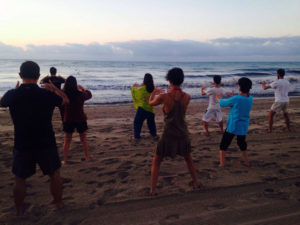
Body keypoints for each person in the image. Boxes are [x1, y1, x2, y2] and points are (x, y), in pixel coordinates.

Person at [0, 61, 69, 216]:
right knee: (55, 175)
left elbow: (2, 103)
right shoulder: (47, 94)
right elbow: (65, 101)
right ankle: (58, 204)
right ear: (38, 76)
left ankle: (19, 210)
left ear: (20, 75)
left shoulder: (13, 94)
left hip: (22, 142)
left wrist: (15, 90)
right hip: (46, 141)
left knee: (20, 178)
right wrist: (55, 89)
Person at [149, 67, 199, 195]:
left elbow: (150, 104)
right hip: (182, 133)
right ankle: (196, 183)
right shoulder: (187, 97)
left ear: (169, 80)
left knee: (156, 160)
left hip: (168, 134)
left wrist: (153, 92)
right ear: (181, 81)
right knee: (188, 159)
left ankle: (152, 190)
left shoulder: (164, 96)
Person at [217, 77, 253, 167]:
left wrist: (218, 98)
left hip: (233, 126)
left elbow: (222, 103)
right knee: (242, 144)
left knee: (223, 145)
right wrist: (233, 97)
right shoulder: (250, 98)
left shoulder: (236, 98)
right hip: (243, 126)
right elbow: (240, 101)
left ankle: (222, 163)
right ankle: (246, 162)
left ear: (240, 87)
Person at [62, 76, 92, 165]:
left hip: (68, 119)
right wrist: (83, 88)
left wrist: (64, 87)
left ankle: (65, 160)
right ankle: (87, 157)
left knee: (67, 140)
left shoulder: (64, 94)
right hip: (80, 118)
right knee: (83, 139)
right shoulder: (81, 94)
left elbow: (58, 94)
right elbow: (89, 95)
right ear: (75, 84)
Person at [130, 73, 159, 140]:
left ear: (144, 80)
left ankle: (136, 137)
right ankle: (154, 135)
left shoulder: (141, 89)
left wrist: (133, 86)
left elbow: (134, 91)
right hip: (151, 109)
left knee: (137, 122)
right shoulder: (153, 88)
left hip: (142, 109)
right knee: (151, 123)